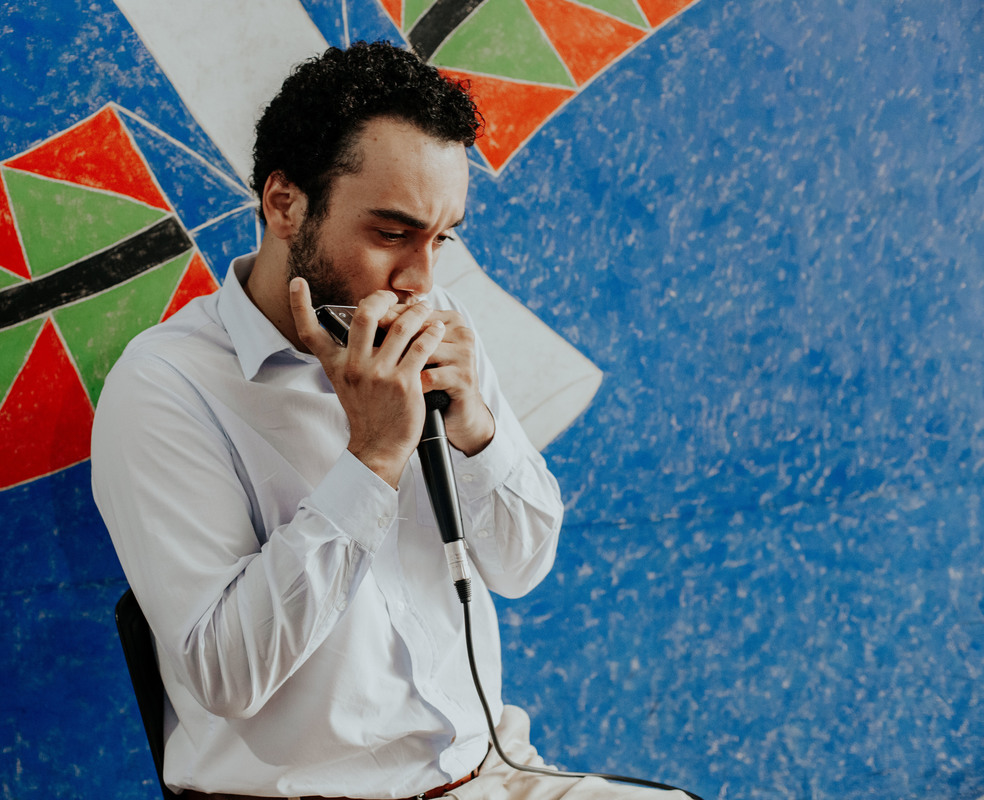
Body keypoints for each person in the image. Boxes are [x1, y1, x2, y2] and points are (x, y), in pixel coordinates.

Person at [93, 41, 686, 800]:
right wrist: (371, 459)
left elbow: (522, 564)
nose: (420, 279)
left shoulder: (435, 320)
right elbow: (226, 675)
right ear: (284, 204)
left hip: (490, 772)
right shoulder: (166, 386)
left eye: (442, 238)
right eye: (391, 234)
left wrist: (475, 429)